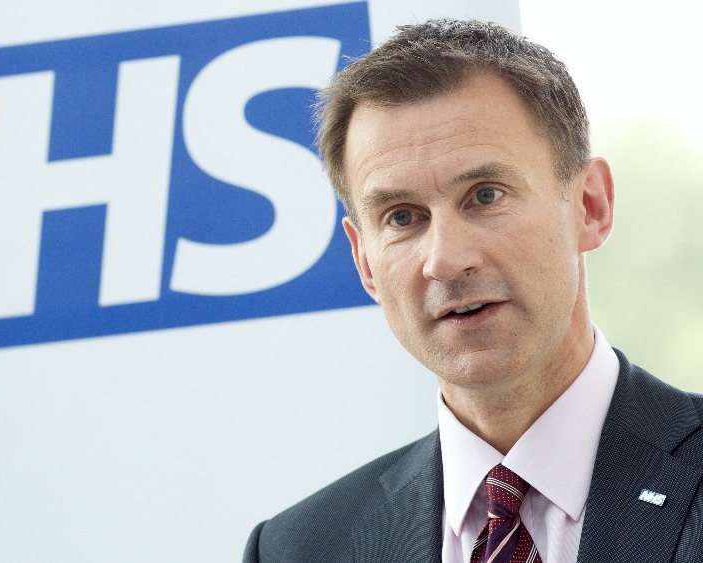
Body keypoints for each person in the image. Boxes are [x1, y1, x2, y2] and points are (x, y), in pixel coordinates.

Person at [243, 19, 703, 563]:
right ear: (364, 260)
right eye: (402, 217)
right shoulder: (298, 549)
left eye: (485, 195)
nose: (445, 259)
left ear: (589, 206)